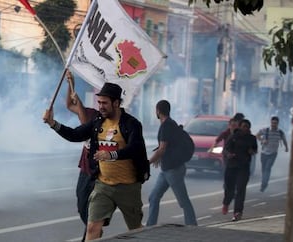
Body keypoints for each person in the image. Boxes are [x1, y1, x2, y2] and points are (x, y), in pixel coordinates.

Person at [43, 82, 149, 241]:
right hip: (103, 186)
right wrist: (53, 124)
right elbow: (75, 135)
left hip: (128, 186)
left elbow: (135, 148)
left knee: (135, 229)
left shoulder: (131, 124)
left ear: (116, 103)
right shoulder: (98, 122)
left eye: (105, 103)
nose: (101, 106)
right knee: (92, 227)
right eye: (99, 102)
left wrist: (111, 155)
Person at [146, 100, 197, 226]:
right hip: (167, 169)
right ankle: (150, 226)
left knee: (183, 201)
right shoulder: (170, 123)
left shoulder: (166, 126)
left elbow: (163, 148)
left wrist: (148, 162)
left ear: (158, 111)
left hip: (173, 170)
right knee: (153, 197)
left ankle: (192, 226)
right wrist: (159, 158)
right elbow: (168, 146)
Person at [65, 70, 99, 241]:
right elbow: (69, 106)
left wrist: (80, 105)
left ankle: (91, 233)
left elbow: (86, 124)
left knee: (91, 208)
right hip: (84, 169)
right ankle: (92, 230)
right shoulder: (90, 112)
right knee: (81, 203)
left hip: (97, 172)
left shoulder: (101, 120)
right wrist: (70, 85)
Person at [222, 119, 257, 221]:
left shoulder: (251, 138)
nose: (245, 128)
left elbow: (255, 149)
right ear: (240, 127)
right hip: (232, 166)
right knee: (229, 189)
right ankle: (226, 203)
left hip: (244, 167)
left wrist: (252, 151)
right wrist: (229, 154)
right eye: (244, 126)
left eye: (247, 126)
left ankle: (238, 212)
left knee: (241, 190)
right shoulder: (233, 137)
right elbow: (226, 149)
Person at [256, 116, 288, 192]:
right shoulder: (265, 130)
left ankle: (264, 184)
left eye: (275, 123)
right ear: (271, 122)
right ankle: (264, 182)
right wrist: (262, 140)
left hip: (273, 153)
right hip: (264, 153)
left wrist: (286, 147)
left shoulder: (280, 132)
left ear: (278, 123)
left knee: (268, 167)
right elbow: (257, 135)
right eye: (272, 123)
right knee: (264, 169)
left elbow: (284, 140)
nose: (274, 124)